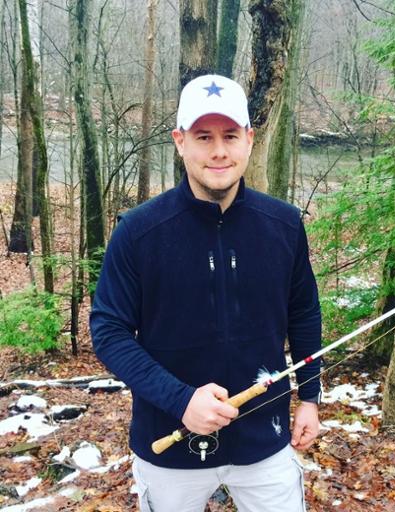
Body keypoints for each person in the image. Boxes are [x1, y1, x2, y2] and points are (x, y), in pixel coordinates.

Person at [90, 74, 322, 512]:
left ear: (249, 140)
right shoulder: (139, 232)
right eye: (203, 136)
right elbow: (109, 330)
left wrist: (309, 398)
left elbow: (304, 313)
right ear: (180, 142)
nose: (219, 150)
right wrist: (181, 400)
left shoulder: (284, 225)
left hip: (265, 441)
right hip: (170, 445)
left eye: (230, 135)